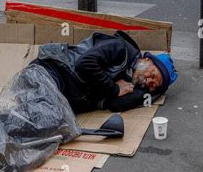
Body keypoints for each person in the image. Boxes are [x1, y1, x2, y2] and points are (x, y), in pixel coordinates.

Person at [30, 30, 178, 114]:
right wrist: (114, 88)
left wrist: (147, 93)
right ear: (147, 60)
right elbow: (85, 64)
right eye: (152, 75)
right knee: (36, 118)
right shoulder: (120, 49)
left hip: (63, 100)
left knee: (45, 125)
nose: (148, 81)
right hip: (50, 73)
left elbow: (114, 104)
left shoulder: (130, 84)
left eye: (152, 85)